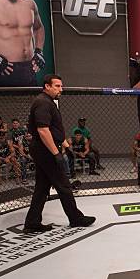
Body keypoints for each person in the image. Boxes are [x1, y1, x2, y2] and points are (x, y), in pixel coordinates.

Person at [24, 74, 95, 233]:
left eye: (61, 86)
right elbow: (43, 130)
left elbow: (54, 130)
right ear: (47, 86)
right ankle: (75, 218)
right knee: (63, 185)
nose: (60, 89)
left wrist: (66, 146)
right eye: (57, 86)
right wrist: (56, 154)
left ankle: (32, 222)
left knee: (42, 188)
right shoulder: (43, 102)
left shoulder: (48, 102)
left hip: (44, 149)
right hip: (45, 150)